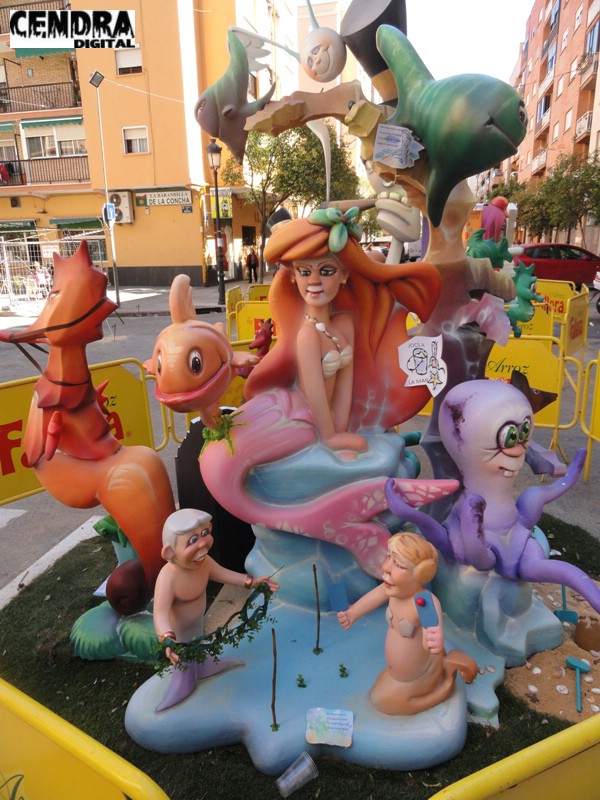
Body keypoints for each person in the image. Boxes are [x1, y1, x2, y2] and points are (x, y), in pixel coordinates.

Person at [244, 208, 442, 453]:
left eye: (326, 271)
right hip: (307, 422)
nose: (314, 281)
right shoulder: (307, 335)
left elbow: (344, 387)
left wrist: (341, 429)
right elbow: (314, 397)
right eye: (305, 272)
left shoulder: (345, 323)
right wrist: (330, 437)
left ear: (344, 275)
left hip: (333, 425)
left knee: (372, 450)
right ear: (294, 276)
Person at [337, 531, 477, 715]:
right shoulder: (393, 589)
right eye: (388, 557)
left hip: (419, 675)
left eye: (398, 564)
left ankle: (446, 679)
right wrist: (353, 613)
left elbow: (431, 629)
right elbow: (373, 598)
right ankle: (438, 672)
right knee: (381, 696)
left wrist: (433, 638)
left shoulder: (422, 601)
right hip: (399, 675)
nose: (386, 567)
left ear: (420, 574)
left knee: (382, 701)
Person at [153, 507, 279, 710]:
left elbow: (225, 574)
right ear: (169, 552)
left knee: (199, 646)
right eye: (193, 540)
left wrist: (253, 582)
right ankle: (182, 684)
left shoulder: (205, 564)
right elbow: (160, 613)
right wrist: (167, 639)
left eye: (205, 533)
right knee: (184, 660)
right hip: (180, 633)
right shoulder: (168, 578)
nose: (203, 543)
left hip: (197, 624)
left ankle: (204, 666)